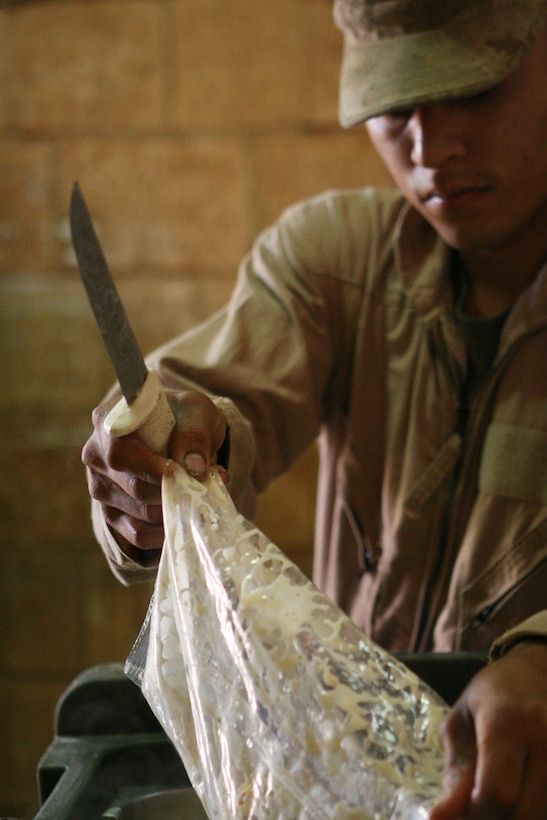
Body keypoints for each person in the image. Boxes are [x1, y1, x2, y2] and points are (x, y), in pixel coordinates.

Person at [82, 0, 547, 816]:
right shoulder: (333, 262)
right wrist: (157, 463)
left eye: (475, 93)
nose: (431, 150)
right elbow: (208, 397)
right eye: (394, 107)